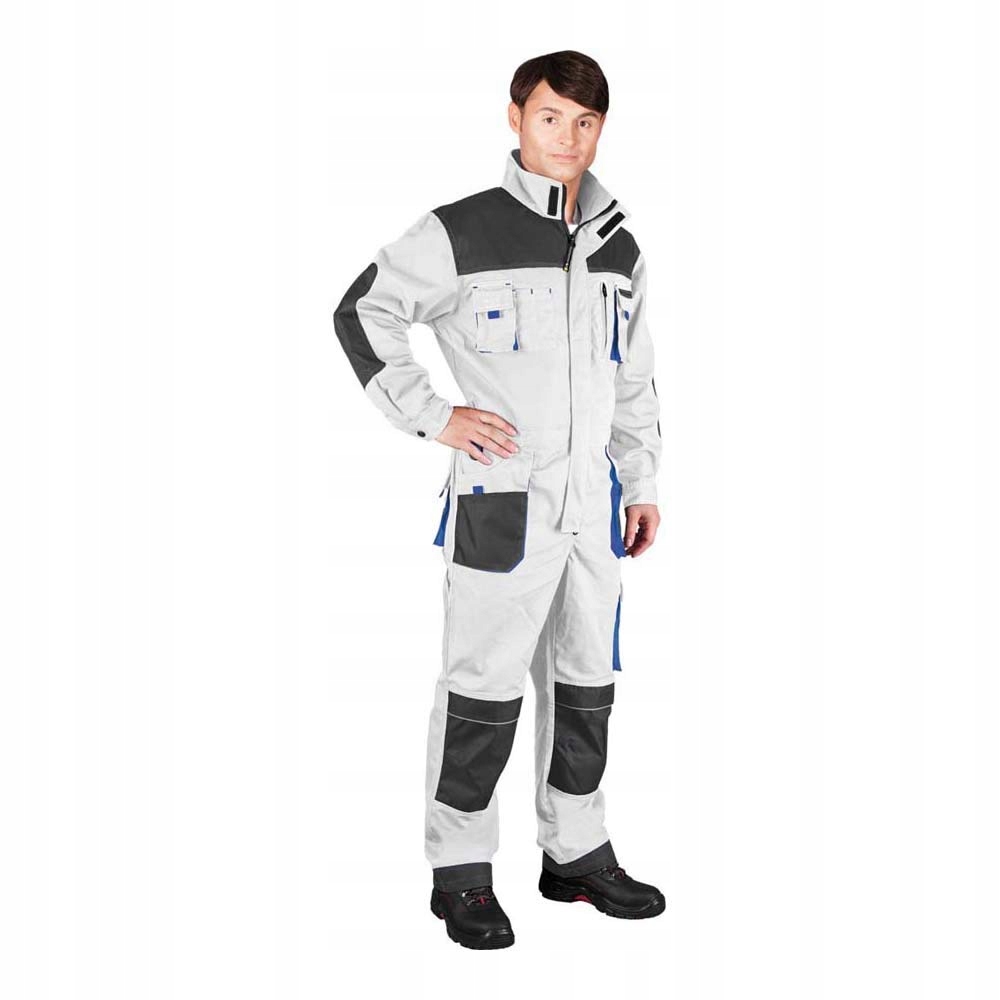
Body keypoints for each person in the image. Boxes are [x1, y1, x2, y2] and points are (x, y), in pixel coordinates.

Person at [333, 50, 665, 949]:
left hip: (594, 509)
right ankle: (461, 872)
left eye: (586, 122)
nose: (569, 137)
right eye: (551, 117)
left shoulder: (619, 245)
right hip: (503, 505)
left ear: (601, 129)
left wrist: (640, 482)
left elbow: (633, 378)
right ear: (516, 117)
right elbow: (362, 312)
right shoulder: (461, 230)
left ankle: (577, 852)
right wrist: (435, 415)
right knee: (480, 693)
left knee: (587, 687)